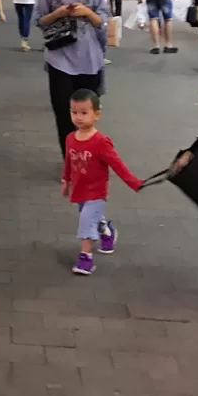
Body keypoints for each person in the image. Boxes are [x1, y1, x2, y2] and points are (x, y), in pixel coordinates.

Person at [33, 0, 108, 154]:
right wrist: (57, 13)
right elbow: (39, 20)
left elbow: (103, 20)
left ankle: (86, 157)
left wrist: (88, 13)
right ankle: (70, 162)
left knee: (86, 116)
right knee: (64, 115)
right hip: (59, 57)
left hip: (90, 58)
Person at [62, 88, 143, 275]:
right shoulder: (70, 139)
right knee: (91, 218)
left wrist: (133, 182)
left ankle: (86, 258)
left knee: (85, 221)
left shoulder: (101, 142)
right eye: (74, 112)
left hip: (96, 192)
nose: (78, 117)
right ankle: (106, 231)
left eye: (84, 112)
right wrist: (65, 180)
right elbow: (68, 161)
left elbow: (117, 164)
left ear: (96, 114)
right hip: (80, 190)